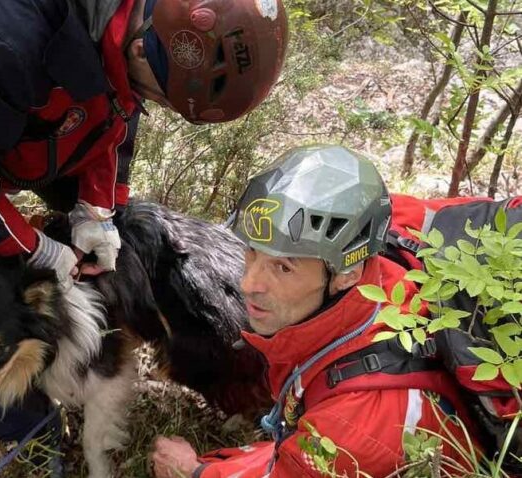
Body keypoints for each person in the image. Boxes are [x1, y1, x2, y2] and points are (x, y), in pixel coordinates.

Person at [0, 0, 289, 469]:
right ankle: (39, 426)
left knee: (115, 238)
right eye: (157, 93)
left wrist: (97, 211)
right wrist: (33, 247)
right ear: (144, 47)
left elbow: (116, 115)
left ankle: (96, 336)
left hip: (42, 121)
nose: (151, 103)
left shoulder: (131, 32)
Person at [150, 145, 475, 478]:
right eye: (252, 251)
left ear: (346, 273)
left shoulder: (350, 428)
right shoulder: (388, 229)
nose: (248, 283)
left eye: (283, 268)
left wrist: (192, 472)